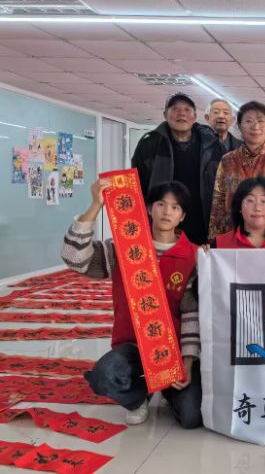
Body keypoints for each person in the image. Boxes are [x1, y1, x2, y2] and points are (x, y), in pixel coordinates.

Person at [60, 179, 201, 428]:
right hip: (132, 345)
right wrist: (95, 206)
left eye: (175, 207)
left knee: (191, 418)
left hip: (173, 350)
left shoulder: (193, 255)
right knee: (103, 376)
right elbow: (73, 257)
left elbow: (191, 312)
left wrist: (187, 360)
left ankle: (166, 389)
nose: (167, 212)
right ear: (148, 209)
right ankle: (138, 397)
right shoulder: (124, 246)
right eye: (161, 204)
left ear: (182, 216)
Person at [131, 92, 226, 245]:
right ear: (165, 115)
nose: (182, 114)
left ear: (194, 116)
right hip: (163, 223)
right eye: (175, 109)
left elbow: (224, 188)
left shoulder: (213, 146)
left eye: (187, 110)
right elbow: (137, 187)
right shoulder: (149, 145)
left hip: (203, 224)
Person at [208, 100, 265, 239]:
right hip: (233, 237)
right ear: (239, 126)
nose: (255, 126)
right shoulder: (228, 161)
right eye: (249, 121)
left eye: (261, 121)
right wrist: (214, 240)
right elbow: (218, 203)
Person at [210, 176, 265, 249]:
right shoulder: (219, 244)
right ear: (239, 206)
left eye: (263, 201)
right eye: (250, 200)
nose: (257, 208)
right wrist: (204, 257)